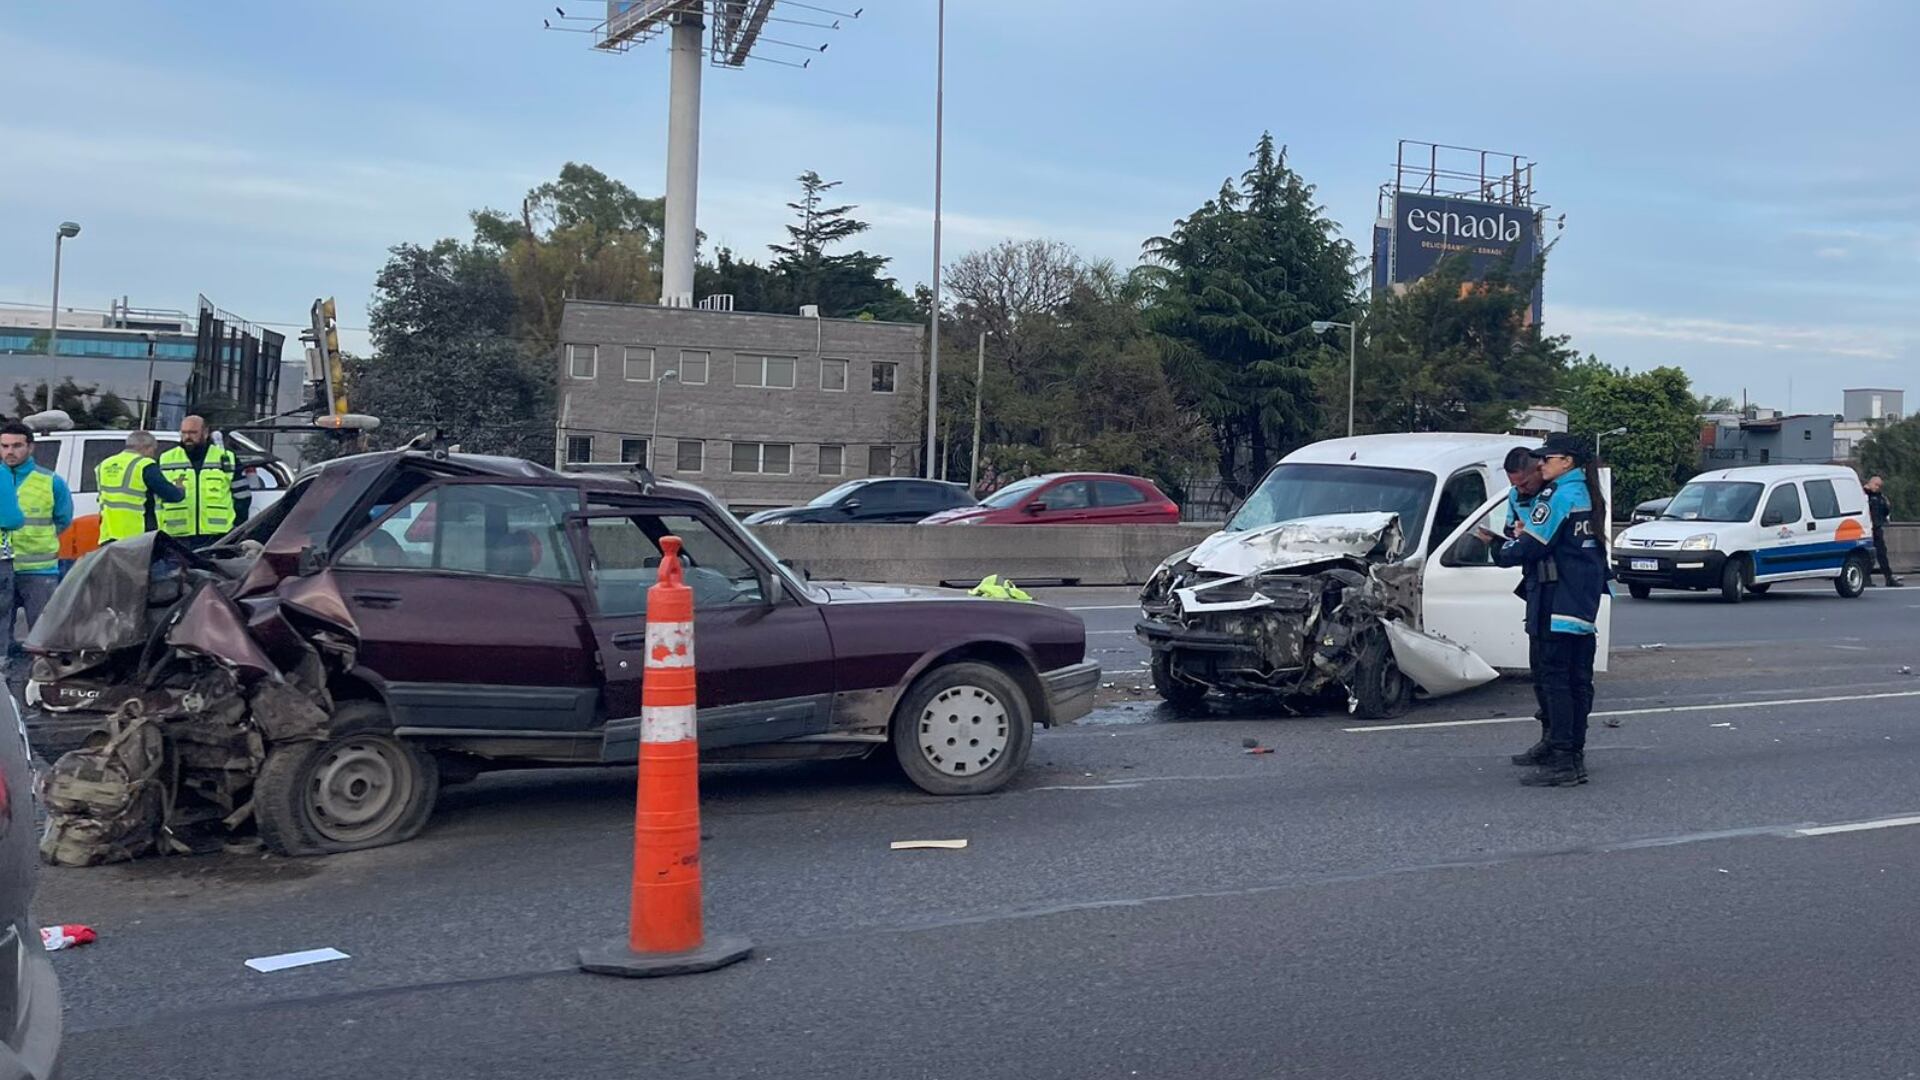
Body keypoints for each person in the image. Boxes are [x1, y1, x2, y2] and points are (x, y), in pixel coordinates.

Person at [1495, 432, 1610, 787]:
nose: (1542, 464)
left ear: (1567, 462)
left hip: (1557, 597)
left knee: (1556, 679)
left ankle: (1564, 759)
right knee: (1574, 679)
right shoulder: (1586, 493)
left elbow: (1530, 545)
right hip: (1578, 598)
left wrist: (1500, 549)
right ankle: (1567, 751)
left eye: (1548, 458)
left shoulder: (1559, 495)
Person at [0, 421, 74, 672]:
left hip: (38, 570)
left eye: (17, 446)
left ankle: (43, 684)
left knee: (42, 636)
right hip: (3, 568)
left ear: (30, 448)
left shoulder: (50, 482)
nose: (10, 451)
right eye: (4, 446)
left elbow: (63, 519)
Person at [1495, 445, 1551, 763]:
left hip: (1558, 586)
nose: (1519, 490)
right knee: (1540, 672)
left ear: (1537, 471)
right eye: (1514, 485)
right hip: (1534, 584)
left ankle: (1564, 748)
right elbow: (1510, 529)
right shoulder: (1517, 496)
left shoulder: (1555, 497)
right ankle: (1548, 739)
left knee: (1559, 676)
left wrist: (1524, 539)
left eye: (1524, 483)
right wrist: (1514, 535)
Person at [158, 415, 239, 551]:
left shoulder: (226, 458)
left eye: (193, 432)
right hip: (176, 536)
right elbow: (154, 497)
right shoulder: (166, 459)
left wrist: (237, 526)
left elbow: (242, 495)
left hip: (218, 536)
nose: (187, 437)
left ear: (205, 433)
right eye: (184, 433)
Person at [95, 430, 187, 543]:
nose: (153, 455)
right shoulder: (145, 465)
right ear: (146, 447)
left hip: (108, 535)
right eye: (153, 450)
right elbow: (172, 495)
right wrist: (180, 488)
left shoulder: (104, 465)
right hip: (138, 536)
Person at [1864, 475, 1902, 588]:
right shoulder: (1863, 494)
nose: (1877, 487)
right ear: (1870, 483)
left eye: (1879, 486)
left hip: (1876, 528)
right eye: (1876, 485)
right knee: (1866, 555)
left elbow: (1885, 511)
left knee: (1882, 554)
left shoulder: (1880, 497)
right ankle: (1866, 579)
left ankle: (1889, 578)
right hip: (1866, 529)